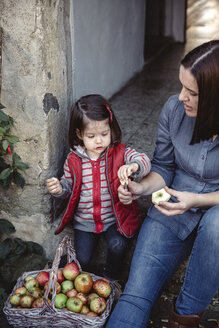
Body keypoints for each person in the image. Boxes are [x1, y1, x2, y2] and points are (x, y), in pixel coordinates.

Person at [106, 40, 219, 327]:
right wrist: (141, 188)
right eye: (181, 86)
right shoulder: (173, 109)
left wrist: (197, 200)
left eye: (192, 92)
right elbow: (164, 166)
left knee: (217, 226)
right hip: (172, 204)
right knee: (135, 296)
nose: (181, 97)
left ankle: (185, 317)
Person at [46, 94, 151, 281]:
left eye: (104, 134)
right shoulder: (73, 160)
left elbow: (144, 159)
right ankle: (59, 270)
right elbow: (69, 187)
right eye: (91, 136)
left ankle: (110, 280)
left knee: (118, 245)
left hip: (114, 218)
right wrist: (60, 189)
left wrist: (133, 166)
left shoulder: (119, 152)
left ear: (110, 128)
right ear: (79, 134)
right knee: (82, 259)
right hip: (84, 222)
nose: (99, 141)